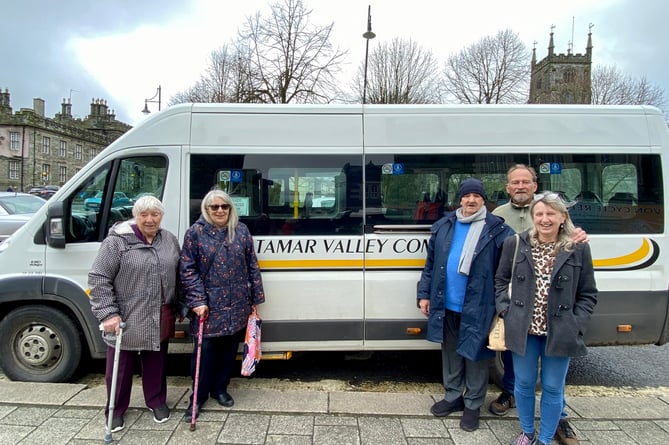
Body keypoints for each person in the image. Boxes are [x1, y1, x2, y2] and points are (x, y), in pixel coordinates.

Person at [491, 164, 586, 445]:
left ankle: (545, 438)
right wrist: (506, 311)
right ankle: (527, 432)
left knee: (554, 388)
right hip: (524, 326)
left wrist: (576, 321)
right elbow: (501, 279)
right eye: (540, 214)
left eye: (550, 214)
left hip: (560, 328)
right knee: (523, 384)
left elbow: (588, 292)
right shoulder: (515, 242)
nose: (544, 218)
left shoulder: (577, 246)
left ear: (561, 217)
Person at [417, 178, 514, 432]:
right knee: (450, 353)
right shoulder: (444, 226)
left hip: (479, 305)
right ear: (459, 199)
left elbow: (507, 272)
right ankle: (453, 396)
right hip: (445, 303)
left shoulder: (498, 231)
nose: (471, 200)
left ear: (484, 200)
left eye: (477, 196)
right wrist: (424, 295)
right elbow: (430, 265)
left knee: (476, 356)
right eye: (466, 195)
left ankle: (472, 404)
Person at [88, 195, 181, 432]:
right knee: (120, 367)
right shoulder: (117, 242)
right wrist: (108, 313)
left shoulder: (168, 240)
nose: (149, 220)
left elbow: (179, 274)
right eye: (143, 214)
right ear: (135, 216)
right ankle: (115, 409)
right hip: (126, 315)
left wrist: (180, 304)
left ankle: (156, 401)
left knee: (156, 361)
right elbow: (99, 278)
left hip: (159, 312)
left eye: (155, 214)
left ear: (161, 216)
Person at [179, 189, 265, 421]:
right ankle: (197, 398)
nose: (219, 210)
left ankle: (220, 389)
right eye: (214, 207)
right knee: (204, 354)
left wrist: (255, 299)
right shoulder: (195, 233)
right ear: (206, 210)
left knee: (228, 352)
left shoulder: (241, 230)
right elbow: (187, 270)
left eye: (224, 206)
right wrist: (197, 300)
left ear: (230, 208)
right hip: (208, 306)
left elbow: (252, 265)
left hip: (237, 303)